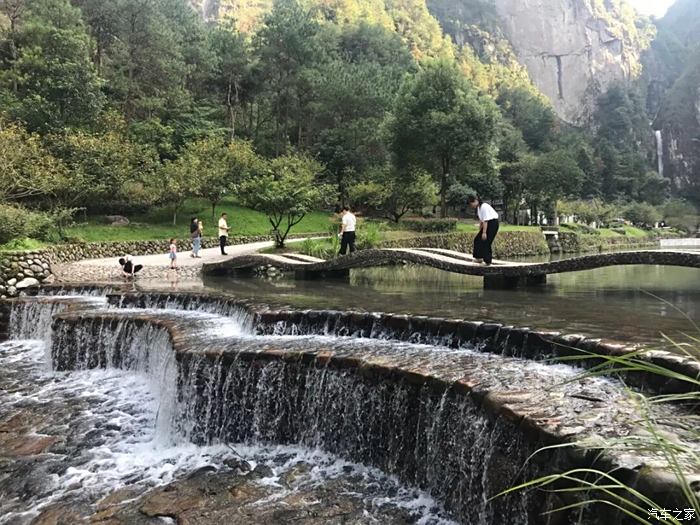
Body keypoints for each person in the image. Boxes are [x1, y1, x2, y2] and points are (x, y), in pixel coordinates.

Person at [467, 195, 499, 265]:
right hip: (487, 224)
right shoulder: (479, 208)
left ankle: (488, 261)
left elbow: (486, 220)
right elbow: (481, 221)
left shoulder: (484, 206)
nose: (471, 206)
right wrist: (480, 232)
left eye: (471, 204)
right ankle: (479, 258)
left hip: (493, 224)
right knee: (477, 239)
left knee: (486, 242)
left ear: (476, 201)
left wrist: (484, 233)